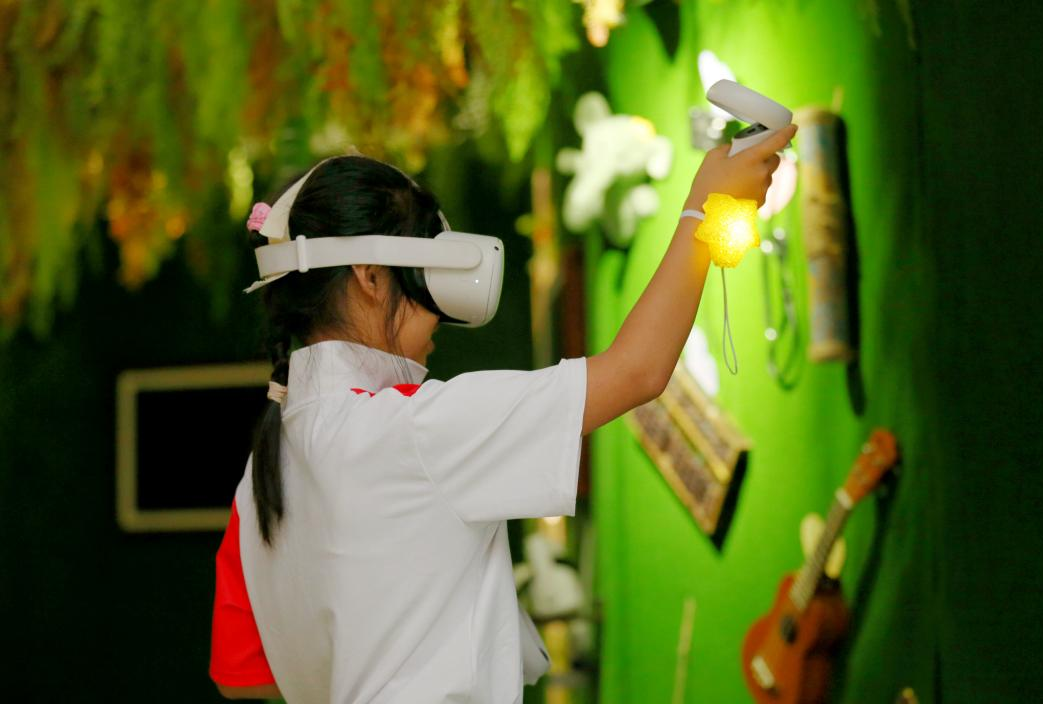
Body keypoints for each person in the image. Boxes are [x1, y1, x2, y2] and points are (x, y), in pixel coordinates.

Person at [209, 125, 796, 704]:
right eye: (427, 276)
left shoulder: (261, 475)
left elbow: (242, 677)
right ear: (371, 278)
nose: (438, 313)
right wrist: (706, 208)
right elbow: (637, 371)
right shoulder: (413, 428)